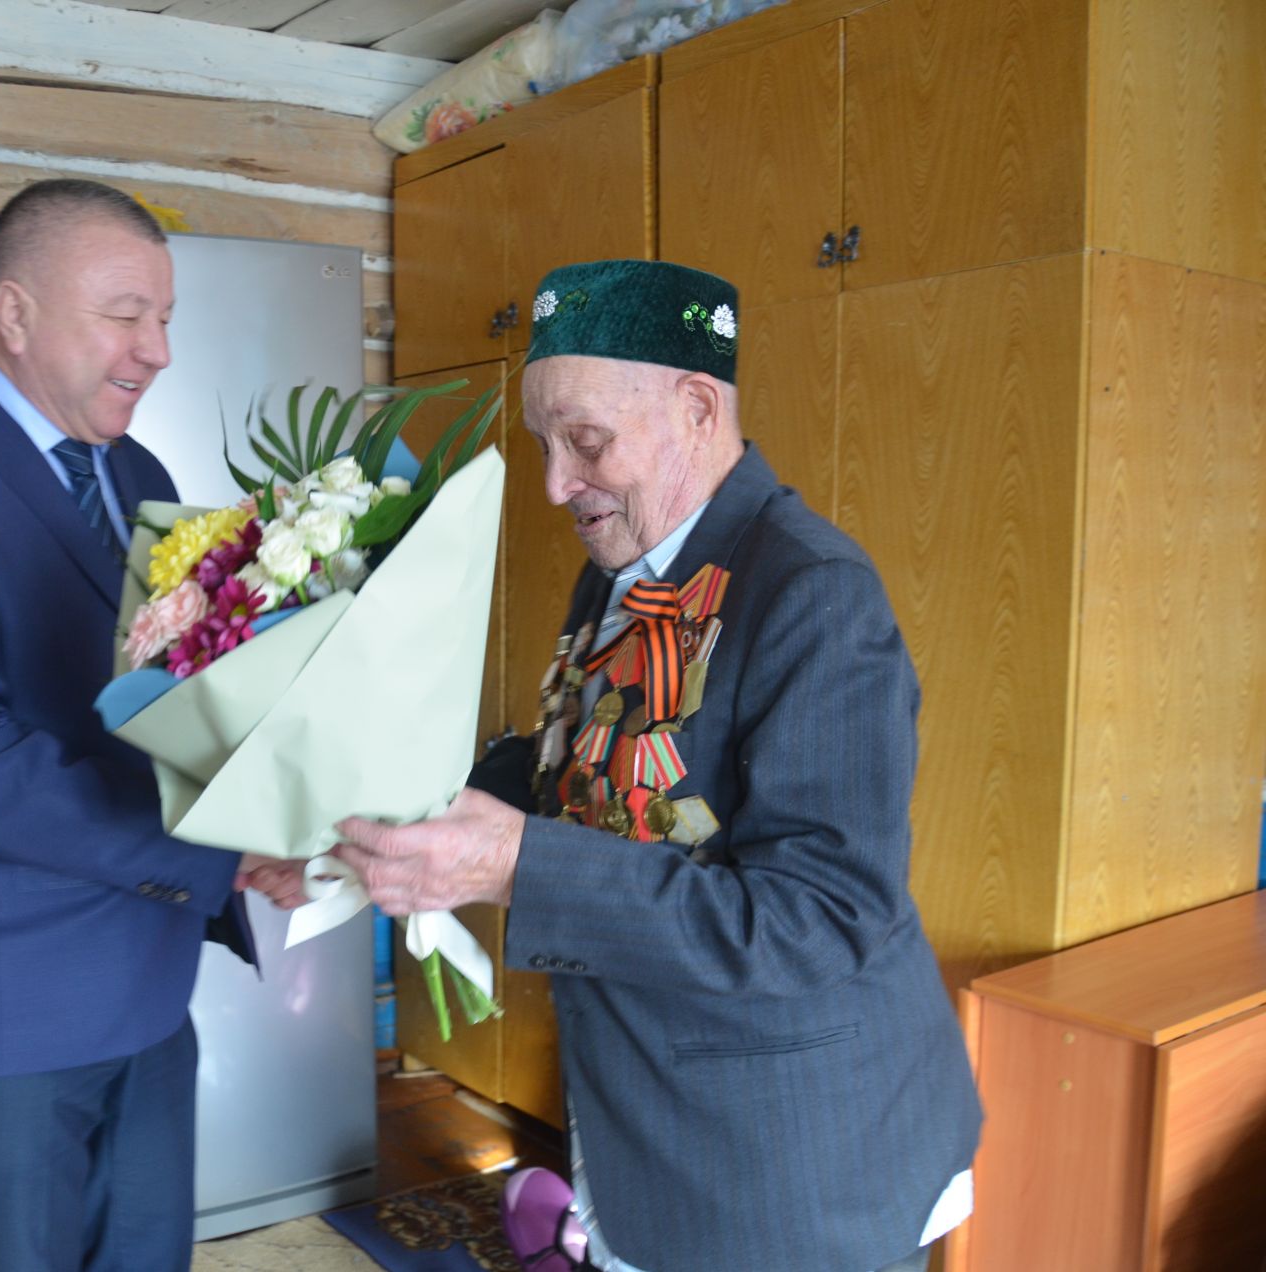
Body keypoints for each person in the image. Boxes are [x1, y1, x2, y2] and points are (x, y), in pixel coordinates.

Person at [323, 260, 984, 1272]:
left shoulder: (814, 593)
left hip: (794, 1168)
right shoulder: (623, 567)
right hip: (652, 1125)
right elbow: (573, 756)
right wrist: (391, 822)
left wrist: (519, 866)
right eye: (544, 445)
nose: (556, 484)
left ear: (696, 409)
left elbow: (820, 919)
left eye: (586, 442)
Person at [0, 178, 283, 1272]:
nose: (157, 350)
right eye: (126, 315)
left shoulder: (137, 472)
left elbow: (180, 693)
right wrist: (213, 851)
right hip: (3, 999)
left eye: (164, 318)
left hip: (148, 979)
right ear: (15, 312)